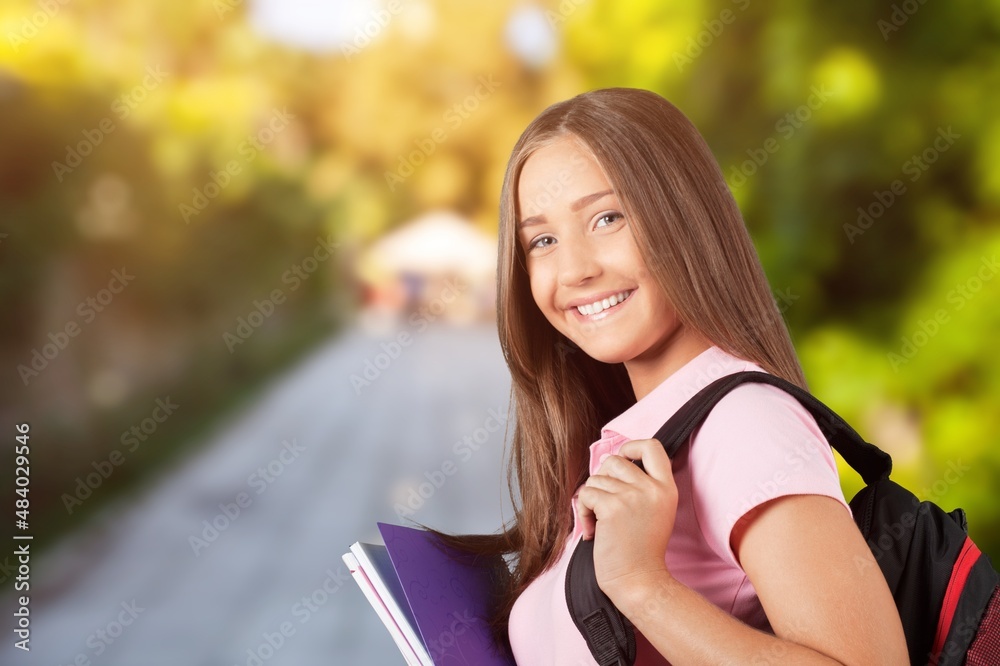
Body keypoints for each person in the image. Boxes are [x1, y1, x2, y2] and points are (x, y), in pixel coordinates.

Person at [461, 87, 909, 665]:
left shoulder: (745, 424)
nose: (575, 269)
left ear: (685, 218)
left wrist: (643, 586)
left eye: (607, 217)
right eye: (542, 240)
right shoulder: (629, 438)